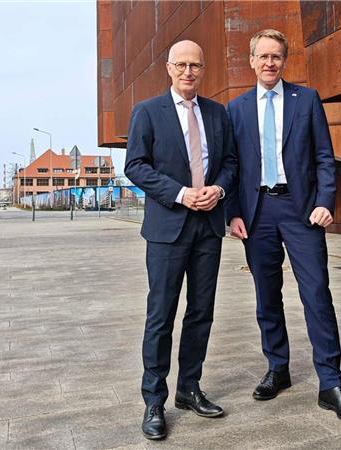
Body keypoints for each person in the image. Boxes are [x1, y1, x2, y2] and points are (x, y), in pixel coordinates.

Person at [225, 29, 341, 424]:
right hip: (256, 213)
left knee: (317, 293)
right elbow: (231, 167)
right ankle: (278, 368)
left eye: (276, 56)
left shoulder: (305, 100)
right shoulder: (234, 110)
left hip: (301, 210)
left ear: (284, 61)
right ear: (251, 61)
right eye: (263, 56)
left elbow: (325, 156)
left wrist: (325, 202)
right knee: (267, 296)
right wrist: (232, 212)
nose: (270, 62)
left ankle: (331, 383)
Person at [124, 39, 237, 440]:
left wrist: (219, 191)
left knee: (201, 312)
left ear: (202, 70)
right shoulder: (147, 112)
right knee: (161, 315)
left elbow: (230, 163)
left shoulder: (217, 113)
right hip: (168, 228)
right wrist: (180, 192)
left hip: (208, 227)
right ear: (168, 68)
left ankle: (189, 389)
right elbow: (135, 165)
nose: (189, 72)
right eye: (182, 65)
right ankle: (154, 400)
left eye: (196, 65)